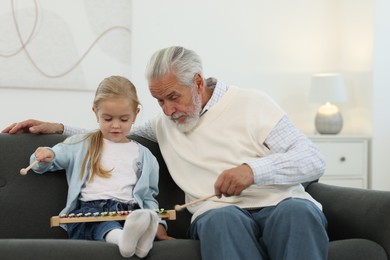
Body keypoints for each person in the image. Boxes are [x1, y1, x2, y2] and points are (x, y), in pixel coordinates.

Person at [3, 46, 328, 259]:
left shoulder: (253, 102)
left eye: (174, 97)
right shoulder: (164, 123)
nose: (169, 110)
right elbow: (112, 130)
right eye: (159, 101)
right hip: (217, 213)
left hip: (280, 202)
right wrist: (57, 126)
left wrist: (252, 171)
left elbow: (313, 161)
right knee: (222, 219)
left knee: (296, 212)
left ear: (198, 82)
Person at [24, 75, 172, 258]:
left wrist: (158, 226)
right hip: (92, 212)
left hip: (131, 212)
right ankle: (123, 239)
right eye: (108, 119)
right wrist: (45, 155)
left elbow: (149, 198)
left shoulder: (146, 157)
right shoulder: (81, 144)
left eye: (124, 119)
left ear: (136, 114)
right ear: (95, 113)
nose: (116, 126)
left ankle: (140, 241)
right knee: (100, 226)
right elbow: (47, 162)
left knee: (141, 218)